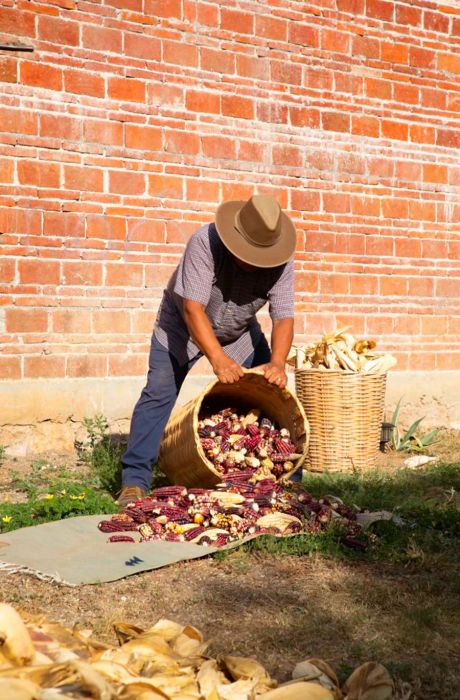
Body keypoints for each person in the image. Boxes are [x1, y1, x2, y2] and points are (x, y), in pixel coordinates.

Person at [118, 194, 298, 507]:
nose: (253, 262)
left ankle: (288, 480)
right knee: (158, 392)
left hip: (239, 332)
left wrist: (278, 364)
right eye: (248, 254)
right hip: (182, 327)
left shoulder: (280, 260)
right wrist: (218, 359)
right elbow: (192, 309)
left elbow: (283, 316)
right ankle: (134, 479)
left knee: (271, 394)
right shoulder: (204, 242)